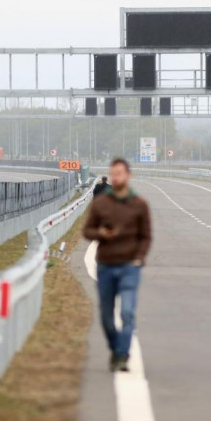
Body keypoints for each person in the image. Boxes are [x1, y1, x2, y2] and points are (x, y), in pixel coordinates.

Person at [82, 158, 152, 372]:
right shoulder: (101, 203)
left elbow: (145, 236)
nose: (116, 177)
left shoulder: (139, 205)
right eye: (113, 174)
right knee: (106, 315)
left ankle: (122, 354)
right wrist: (100, 233)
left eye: (120, 173)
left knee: (128, 312)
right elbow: (87, 231)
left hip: (130, 266)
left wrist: (139, 257)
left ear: (128, 175)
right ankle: (115, 347)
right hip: (106, 265)